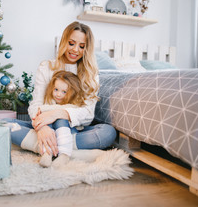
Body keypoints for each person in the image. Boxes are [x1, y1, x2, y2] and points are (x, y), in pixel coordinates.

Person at [8, 21, 117, 166]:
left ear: (87, 49)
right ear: (64, 41)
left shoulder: (90, 74)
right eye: (71, 43)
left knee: (108, 132)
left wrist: (57, 114)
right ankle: (67, 150)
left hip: (73, 130)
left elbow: (88, 114)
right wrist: (42, 128)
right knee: (3, 125)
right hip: (46, 124)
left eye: (82, 46)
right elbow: (35, 105)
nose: (75, 50)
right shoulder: (46, 67)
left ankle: (45, 147)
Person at [38, 70, 86, 167]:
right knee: (47, 119)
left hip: (71, 131)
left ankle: (64, 155)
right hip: (54, 134)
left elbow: (69, 110)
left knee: (60, 117)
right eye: (56, 89)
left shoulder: (74, 105)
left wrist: (45, 110)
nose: (58, 94)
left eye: (64, 92)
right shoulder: (50, 101)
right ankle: (47, 153)